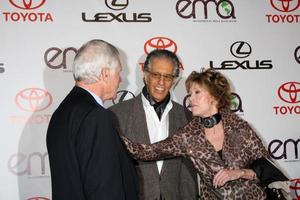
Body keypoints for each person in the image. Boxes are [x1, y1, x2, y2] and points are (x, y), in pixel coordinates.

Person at [121, 68, 275, 199]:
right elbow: (144, 152)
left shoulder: (240, 128)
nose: (190, 99)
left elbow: (267, 169)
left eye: (197, 93)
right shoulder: (188, 136)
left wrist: (239, 173)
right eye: (190, 93)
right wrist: (109, 132)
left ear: (214, 96)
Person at [46, 39, 139, 200]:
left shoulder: (62, 112)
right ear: (105, 74)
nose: (121, 80)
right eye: (119, 72)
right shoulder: (95, 116)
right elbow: (104, 188)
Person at [110, 49, 198, 200]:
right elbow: (111, 172)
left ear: (175, 80)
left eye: (168, 77)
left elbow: (188, 174)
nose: (161, 83)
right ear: (145, 75)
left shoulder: (187, 117)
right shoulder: (117, 115)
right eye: (156, 75)